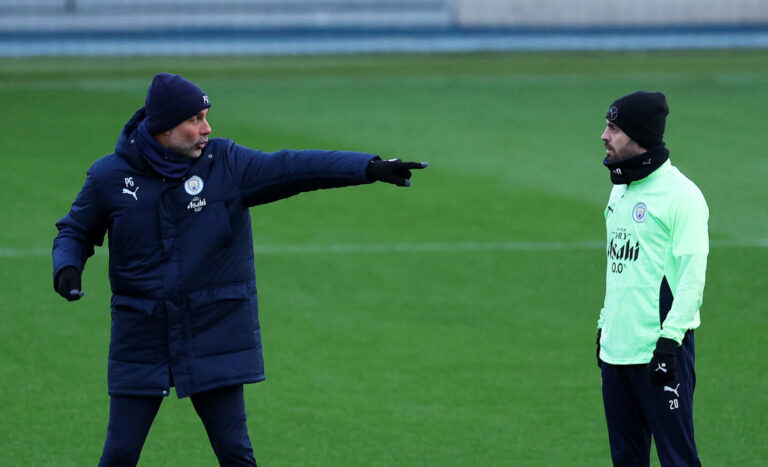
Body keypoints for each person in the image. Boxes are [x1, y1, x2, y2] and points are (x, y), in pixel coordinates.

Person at [52, 72, 427, 466]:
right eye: (195, 119)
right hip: (142, 333)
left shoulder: (225, 163)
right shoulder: (109, 176)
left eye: (206, 116)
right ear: (164, 127)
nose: (207, 128)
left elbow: (295, 168)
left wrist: (368, 168)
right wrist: (67, 267)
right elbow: (75, 230)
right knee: (120, 453)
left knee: (235, 452)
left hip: (213, 328)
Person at [595, 91, 708, 466]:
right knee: (626, 459)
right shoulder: (619, 189)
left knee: (678, 459)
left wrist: (669, 343)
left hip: (660, 353)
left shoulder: (682, 196)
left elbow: (692, 280)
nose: (604, 136)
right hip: (616, 353)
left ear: (637, 135)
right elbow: (620, 270)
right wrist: (603, 327)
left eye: (613, 128)